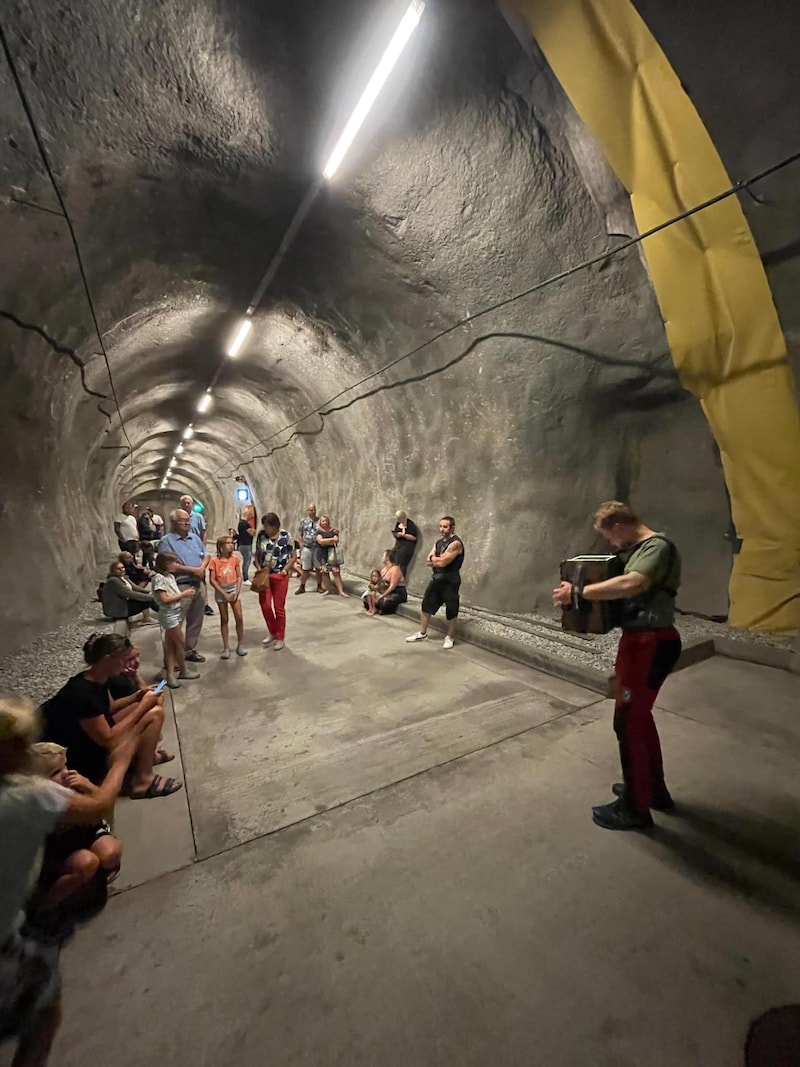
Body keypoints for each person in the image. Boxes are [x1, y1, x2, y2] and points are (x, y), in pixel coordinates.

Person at [0, 694, 137, 1067]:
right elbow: (99, 804)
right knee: (44, 1015)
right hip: (6, 946)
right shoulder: (27, 796)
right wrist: (122, 760)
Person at [552, 500, 682, 831]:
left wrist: (580, 592)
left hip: (650, 643)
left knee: (628, 723)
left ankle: (636, 809)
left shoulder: (657, 547)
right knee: (638, 719)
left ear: (619, 526)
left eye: (610, 537)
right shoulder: (639, 548)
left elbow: (632, 583)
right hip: (640, 642)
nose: (612, 544)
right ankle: (652, 790)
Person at [41, 633, 182, 798]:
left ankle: (144, 758)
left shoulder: (99, 678)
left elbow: (110, 708)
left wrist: (138, 696)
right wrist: (142, 706)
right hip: (77, 757)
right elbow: (107, 739)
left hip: (89, 739)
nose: (125, 665)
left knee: (150, 703)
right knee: (152, 713)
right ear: (108, 659)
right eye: (124, 659)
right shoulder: (81, 692)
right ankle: (143, 781)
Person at [28, 743, 124, 910]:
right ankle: (45, 905)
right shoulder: (40, 803)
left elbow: (102, 806)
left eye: (65, 766)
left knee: (111, 853)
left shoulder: (74, 783)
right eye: (56, 772)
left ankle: (92, 879)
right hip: (57, 849)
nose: (66, 773)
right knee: (87, 862)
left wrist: (87, 786)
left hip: (86, 832)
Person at [157, 510, 208, 663]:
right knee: (175, 624)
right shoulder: (167, 541)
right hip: (180, 586)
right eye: (182, 520)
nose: (187, 523)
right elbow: (168, 564)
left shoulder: (195, 538)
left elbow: (206, 555)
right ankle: (171, 659)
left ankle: (189, 650)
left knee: (196, 620)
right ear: (173, 523)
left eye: (188, 520)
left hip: (198, 584)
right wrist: (194, 570)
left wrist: (202, 568)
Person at [405, 516, 464, 649]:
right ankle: (422, 633)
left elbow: (443, 562)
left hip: (451, 581)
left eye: (445, 527)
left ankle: (450, 636)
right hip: (437, 579)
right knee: (427, 605)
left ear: (452, 527)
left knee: (451, 609)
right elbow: (428, 560)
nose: (442, 529)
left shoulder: (456, 543)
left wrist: (436, 559)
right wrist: (436, 559)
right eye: (441, 526)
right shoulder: (438, 543)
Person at [152, 552, 199, 688]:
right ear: (166, 564)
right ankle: (182, 670)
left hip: (175, 612)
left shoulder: (170, 577)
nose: (177, 566)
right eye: (174, 563)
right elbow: (165, 599)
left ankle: (170, 673)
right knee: (180, 644)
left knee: (170, 645)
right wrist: (184, 594)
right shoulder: (159, 578)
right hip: (169, 614)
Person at [254, 513, 296, 651]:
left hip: (279, 576)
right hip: (264, 576)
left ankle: (280, 637)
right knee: (265, 605)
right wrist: (259, 568)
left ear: (275, 525)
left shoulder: (286, 536)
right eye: (264, 525)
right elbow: (257, 554)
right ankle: (272, 631)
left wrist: (285, 570)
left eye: (268, 526)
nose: (265, 528)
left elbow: (293, 556)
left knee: (279, 607)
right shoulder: (261, 536)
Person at [208, 535, 247, 659]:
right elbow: (212, 580)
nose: (231, 545)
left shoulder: (235, 559)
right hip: (221, 590)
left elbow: (239, 576)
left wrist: (237, 591)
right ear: (221, 547)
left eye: (232, 543)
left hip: (233, 588)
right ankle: (226, 647)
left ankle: (240, 644)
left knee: (239, 617)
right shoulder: (214, 561)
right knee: (224, 618)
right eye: (228, 543)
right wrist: (224, 594)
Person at [100, 561, 157, 626]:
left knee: (147, 597)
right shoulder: (114, 581)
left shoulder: (123, 577)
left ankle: (162, 610)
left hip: (124, 603)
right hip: (119, 610)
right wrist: (152, 597)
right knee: (146, 600)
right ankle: (148, 618)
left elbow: (136, 588)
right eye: (118, 569)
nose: (122, 570)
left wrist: (149, 592)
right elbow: (130, 594)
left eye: (123, 567)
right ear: (113, 571)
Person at [315, 516, 350, 598]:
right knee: (325, 573)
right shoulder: (318, 532)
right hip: (322, 555)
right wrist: (331, 540)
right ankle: (327, 590)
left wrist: (326, 541)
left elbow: (336, 540)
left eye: (326, 521)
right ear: (320, 522)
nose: (325, 522)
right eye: (323, 521)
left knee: (336, 573)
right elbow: (320, 541)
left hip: (332, 554)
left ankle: (341, 591)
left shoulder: (333, 530)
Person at [295, 504, 322, 595]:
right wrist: (301, 546)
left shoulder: (319, 521)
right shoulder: (303, 521)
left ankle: (319, 586)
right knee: (306, 568)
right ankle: (302, 586)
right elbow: (300, 534)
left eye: (314, 510)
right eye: (311, 510)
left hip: (317, 548)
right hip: (307, 547)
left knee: (318, 568)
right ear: (308, 511)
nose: (313, 511)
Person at [374, 547, 408, 615]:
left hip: (398, 592)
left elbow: (392, 586)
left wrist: (382, 596)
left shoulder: (395, 569)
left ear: (387, 558)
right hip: (386, 590)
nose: (381, 557)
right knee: (368, 598)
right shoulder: (384, 569)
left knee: (384, 602)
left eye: (383, 556)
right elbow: (380, 584)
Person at [391, 511, 419, 577]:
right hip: (399, 544)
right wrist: (396, 535)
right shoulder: (398, 523)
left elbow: (414, 538)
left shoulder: (410, 525)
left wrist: (403, 535)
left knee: (402, 564)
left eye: (399, 518)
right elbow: (396, 531)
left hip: (407, 546)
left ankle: (401, 580)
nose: (398, 520)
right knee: (392, 557)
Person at [236, 515, 254, 582]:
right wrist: (254, 531)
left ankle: (245, 577)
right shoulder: (245, 524)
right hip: (247, 545)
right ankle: (245, 578)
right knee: (246, 562)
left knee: (245, 561)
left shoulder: (240, 523)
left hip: (241, 544)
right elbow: (251, 533)